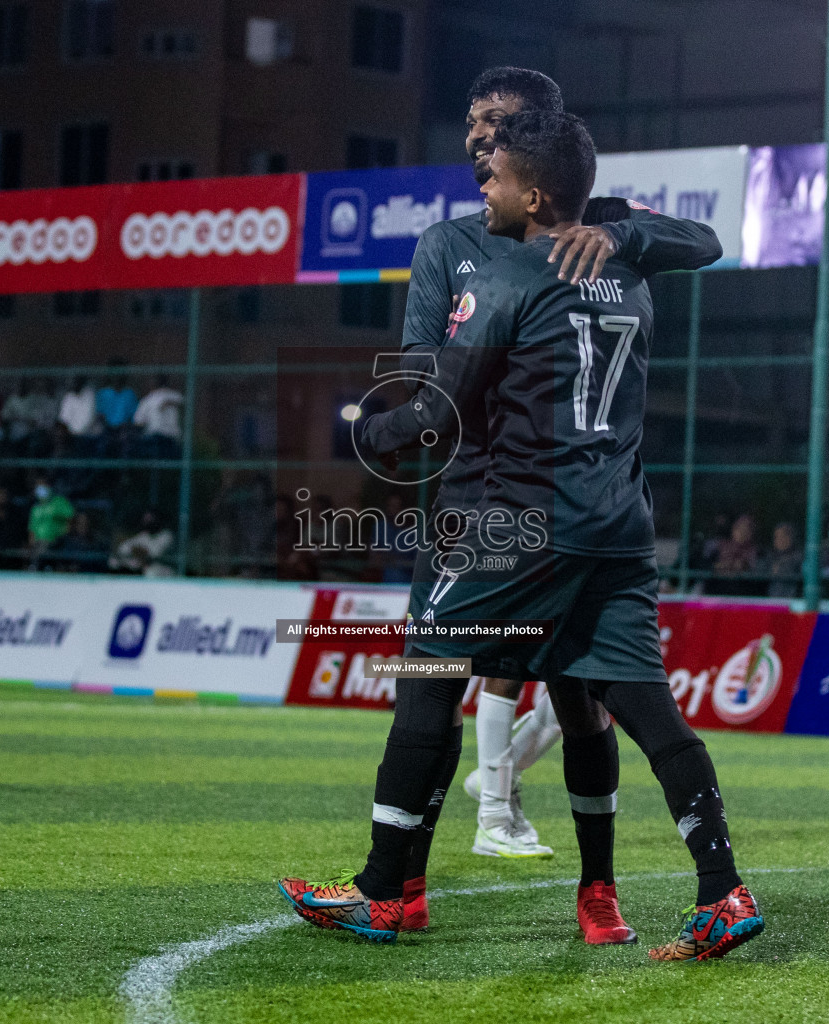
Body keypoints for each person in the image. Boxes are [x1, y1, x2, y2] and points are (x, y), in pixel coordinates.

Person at [279, 110, 759, 961]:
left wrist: (362, 430)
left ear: (534, 192)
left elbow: (438, 408)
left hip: (524, 526)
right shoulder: (632, 270)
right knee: (645, 707)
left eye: (493, 174)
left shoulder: (504, 281)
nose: (483, 185)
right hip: (618, 526)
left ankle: (385, 889)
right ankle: (723, 891)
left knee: (428, 668)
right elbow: (700, 245)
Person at [381, 66, 723, 880]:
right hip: (490, 502)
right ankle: (443, 861)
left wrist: (620, 234)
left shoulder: (597, 229)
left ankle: (425, 881)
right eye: (471, 122)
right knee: (475, 686)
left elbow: (704, 241)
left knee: (560, 703)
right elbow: (427, 375)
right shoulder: (451, 244)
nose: (477, 138)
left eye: (495, 125)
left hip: (533, 511)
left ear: (540, 138)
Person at [133, 376, 184, 459]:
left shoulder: (147, 400)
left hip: (160, 438)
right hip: (171, 438)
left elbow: (138, 422)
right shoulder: (175, 395)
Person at [756, 521, 803, 598]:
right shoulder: (768, 557)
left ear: (792, 537)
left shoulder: (799, 557)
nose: (780, 540)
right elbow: (757, 573)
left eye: (784, 535)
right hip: (769, 602)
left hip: (792, 602)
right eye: (777, 537)